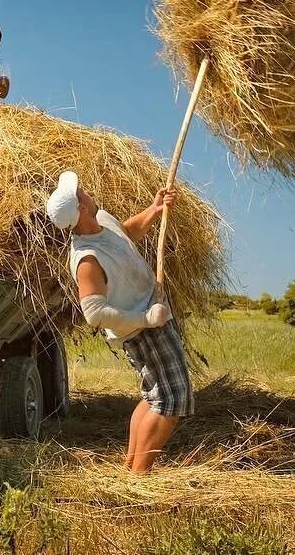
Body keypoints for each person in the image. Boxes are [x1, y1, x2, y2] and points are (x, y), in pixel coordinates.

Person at [46, 170, 193, 472]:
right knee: (171, 401)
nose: (87, 192)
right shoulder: (86, 260)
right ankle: (141, 477)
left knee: (154, 395)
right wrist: (146, 319)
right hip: (141, 330)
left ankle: (131, 468)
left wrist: (155, 209)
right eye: (82, 193)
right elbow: (95, 314)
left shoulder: (102, 221)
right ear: (80, 209)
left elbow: (125, 234)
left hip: (153, 313)